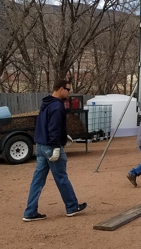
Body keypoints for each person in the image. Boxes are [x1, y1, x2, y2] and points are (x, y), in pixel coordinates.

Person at [23, 80, 87, 222]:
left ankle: (30, 211)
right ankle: (72, 207)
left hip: (40, 146)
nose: (69, 92)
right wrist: (57, 146)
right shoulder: (58, 106)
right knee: (61, 178)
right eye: (67, 89)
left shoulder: (46, 103)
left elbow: (46, 124)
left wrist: (64, 136)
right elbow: (54, 127)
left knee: (37, 180)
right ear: (59, 89)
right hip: (52, 147)